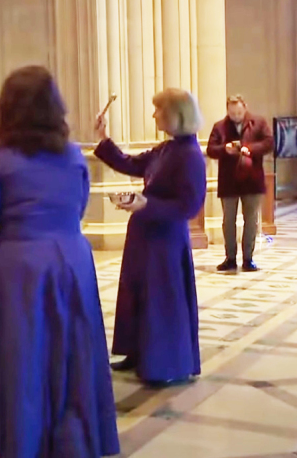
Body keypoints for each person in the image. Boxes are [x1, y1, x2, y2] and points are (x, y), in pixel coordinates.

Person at [0, 66, 119, 458]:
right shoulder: (73, 155)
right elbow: (80, 207)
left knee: (26, 354)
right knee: (73, 351)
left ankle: (24, 440)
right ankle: (76, 440)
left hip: (22, 265)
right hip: (72, 258)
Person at [94, 87, 207, 387]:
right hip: (145, 235)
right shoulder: (166, 149)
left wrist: (147, 204)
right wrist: (104, 139)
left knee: (162, 300)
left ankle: (164, 363)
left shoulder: (190, 155)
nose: (153, 114)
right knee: (138, 293)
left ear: (174, 114)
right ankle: (137, 352)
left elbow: (189, 206)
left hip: (166, 240)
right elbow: (130, 164)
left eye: (158, 110)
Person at [206, 95, 273, 272]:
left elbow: (268, 143)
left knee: (251, 219)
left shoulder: (258, 123)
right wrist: (225, 149)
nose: (236, 115)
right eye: (232, 112)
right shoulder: (220, 127)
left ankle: (248, 258)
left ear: (245, 108)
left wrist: (249, 149)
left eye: (239, 112)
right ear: (227, 110)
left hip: (251, 178)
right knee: (228, 220)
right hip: (229, 180)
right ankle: (230, 257)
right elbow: (211, 149)